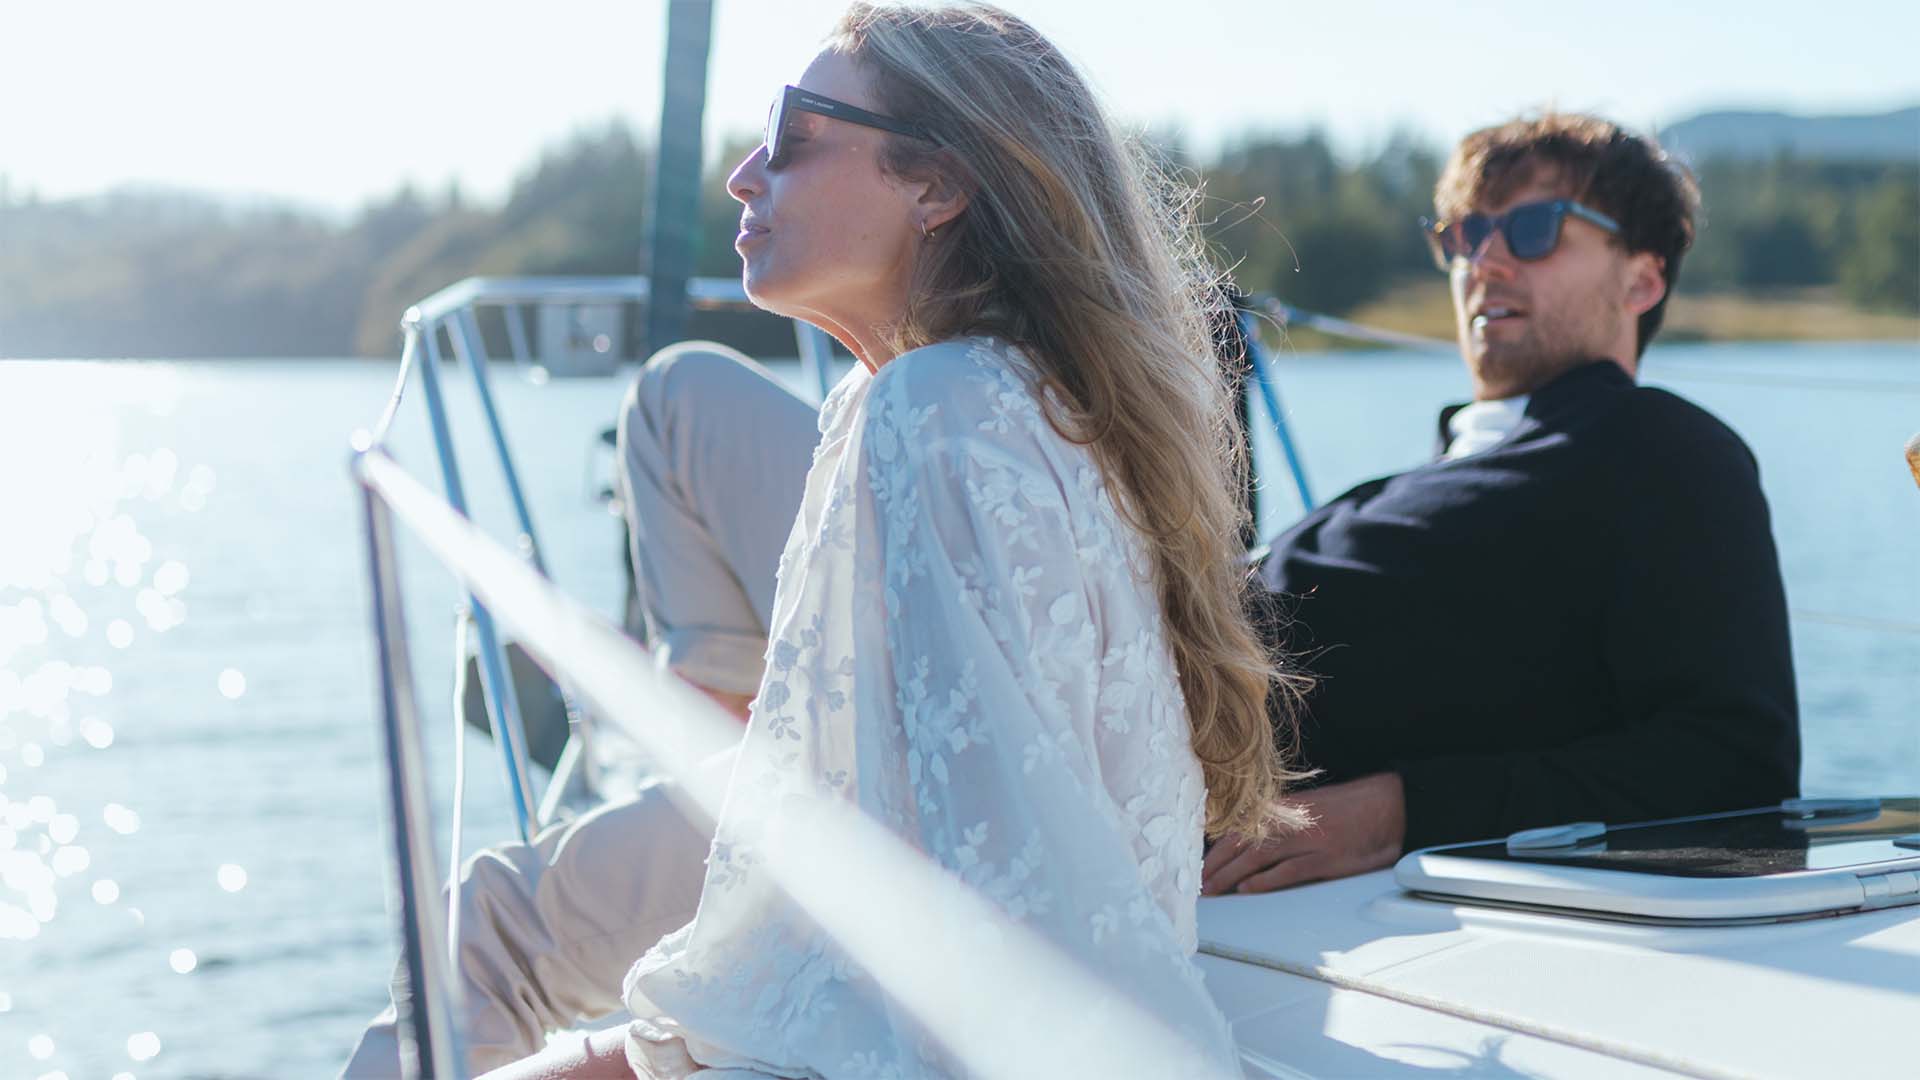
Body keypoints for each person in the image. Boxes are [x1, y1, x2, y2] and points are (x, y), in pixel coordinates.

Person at [468, 3, 1305, 1077]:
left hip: (883, 1040)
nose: (741, 174)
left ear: (937, 186)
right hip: (826, 1001)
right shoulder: (1003, 406)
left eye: (790, 132)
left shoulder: (941, 408)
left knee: (485, 939)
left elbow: (1013, 904)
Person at [1200, 112, 1800, 893]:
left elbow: (1735, 767)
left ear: (1641, 278)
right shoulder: (1441, 472)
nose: (1482, 260)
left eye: (1533, 228)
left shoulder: (1656, 451)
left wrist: (1399, 815)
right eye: (1462, 235)